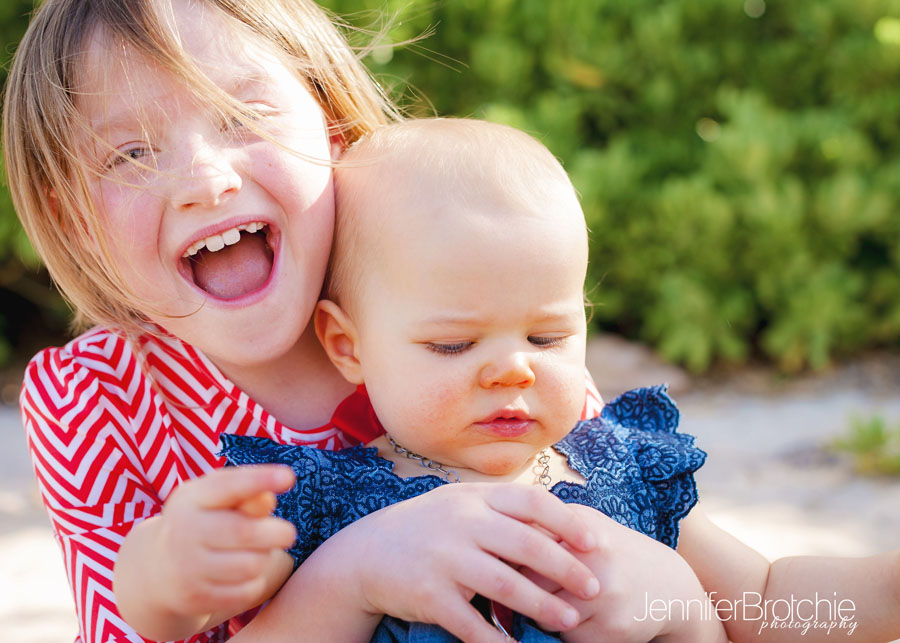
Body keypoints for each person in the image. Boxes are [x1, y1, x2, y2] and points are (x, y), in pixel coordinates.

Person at [3, 1, 675, 642]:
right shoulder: (91, 398)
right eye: (131, 154)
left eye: (242, 115)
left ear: (332, 132)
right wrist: (340, 574)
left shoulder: (459, 301)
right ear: (76, 224)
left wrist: (667, 588)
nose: (205, 180)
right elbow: (137, 609)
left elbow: (634, 535)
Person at [222, 118, 900, 643]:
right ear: (348, 345)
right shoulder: (330, 506)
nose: (514, 367)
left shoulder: (617, 469)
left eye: (546, 337)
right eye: (453, 343)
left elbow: (768, 599)